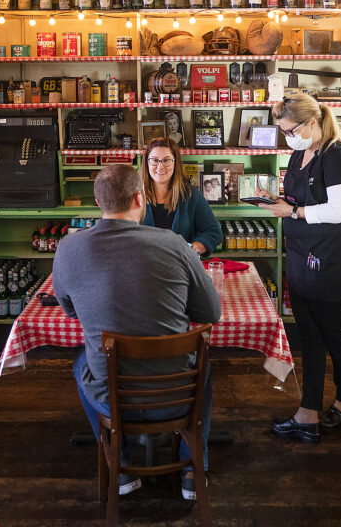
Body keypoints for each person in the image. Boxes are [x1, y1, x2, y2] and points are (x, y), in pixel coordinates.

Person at [55, 164, 221, 500]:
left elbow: (70, 310)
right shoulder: (174, 245)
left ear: (98, 202)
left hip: (113, 399)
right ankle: (192, 469)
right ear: (139, 198)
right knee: (203, 369)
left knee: (80, 364)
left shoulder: (69, 249)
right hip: (177, 395)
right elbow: (210, 313)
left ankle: (121, 458)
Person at [253, 93, 341, 443]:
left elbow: (339, 211)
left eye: (290, 130)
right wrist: (282, 203)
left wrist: (294, 213)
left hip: (329, 260)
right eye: (283, 132)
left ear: (311, 123)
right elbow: (302, 198)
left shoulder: (336, 155)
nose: (288, 137)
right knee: (310, 337)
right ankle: (309, 411)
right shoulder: (301, 151)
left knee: (335, 336)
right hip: (301, 255)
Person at [140, 137, 223, 256]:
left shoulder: (191, 195)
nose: (160, 166)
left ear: (175, 163)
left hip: (181, 269)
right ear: (147, 163)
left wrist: (190, 249)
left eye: (166, 160)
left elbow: (214, 233)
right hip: (143, 269)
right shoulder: (134, 196)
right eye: (154, 160)